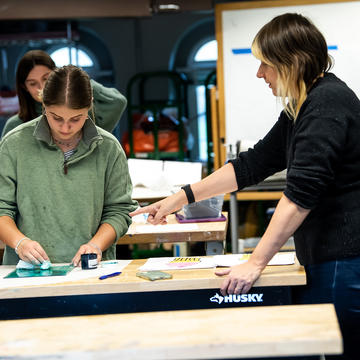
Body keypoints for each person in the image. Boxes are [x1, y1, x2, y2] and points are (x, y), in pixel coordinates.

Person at [130, 13, 360, 360]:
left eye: (266, 65)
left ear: (292, 62)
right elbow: (253, 164)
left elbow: (300, 196)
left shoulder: (326, 104)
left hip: (345, 261)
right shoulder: (304, 104)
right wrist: (180, 197)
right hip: (329, 257)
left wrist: (256, 262)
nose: (260, 74)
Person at [0, 65, 138, 266]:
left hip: (90, 270)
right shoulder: (14, 144)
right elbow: (2, 207)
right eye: (56, 118)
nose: (65, 128)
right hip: (27, 272)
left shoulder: (109, 148)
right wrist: (19, 242)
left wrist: (96, 245)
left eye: (76, 118)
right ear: (44, 105)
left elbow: (119, 210)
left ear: (89, 106)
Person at [1, 50, 126, 137]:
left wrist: (79, 81)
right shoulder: (15, 126)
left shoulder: (83, 116)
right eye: (33, 83)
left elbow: (117, 101)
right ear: (24, 87)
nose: (42, 87)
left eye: (46, 78)